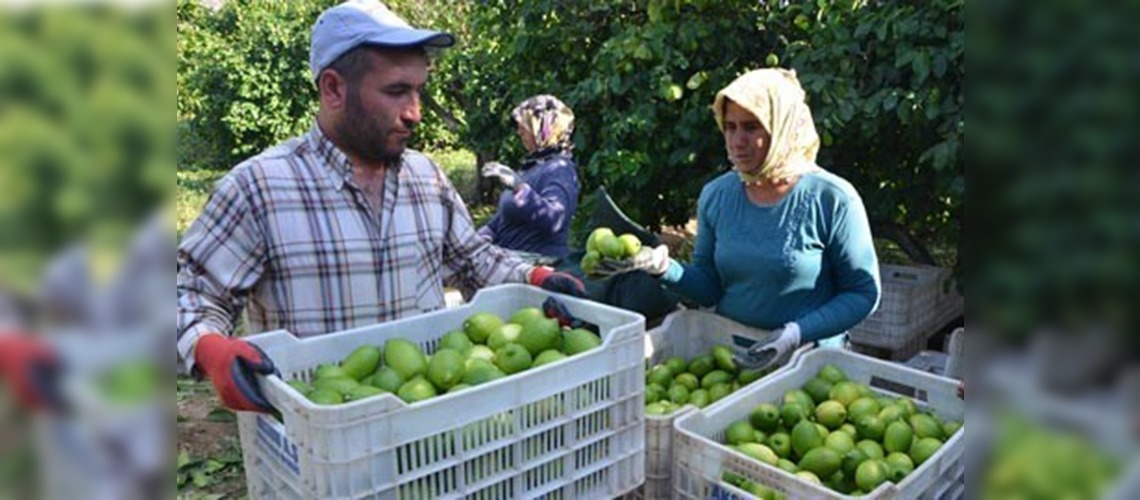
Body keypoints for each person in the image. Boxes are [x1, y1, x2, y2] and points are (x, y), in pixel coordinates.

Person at [176, 0, 584, 413]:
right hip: (317, 434)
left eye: (418, 90)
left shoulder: (426, 178)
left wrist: (535, 278)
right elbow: (190, 294)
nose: (415, 113)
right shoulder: (260, 189)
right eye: (396, 91)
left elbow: (473, 261)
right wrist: (210, 349)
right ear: (333, 89)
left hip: (425, 425)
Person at [600, 68, 881, 370]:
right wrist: (663, 268)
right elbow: (710, 287)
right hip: (734, 355)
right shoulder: (717, 196)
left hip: (809, 362)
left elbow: (862, 292)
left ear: (782, 127)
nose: (737, 141)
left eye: (751, 127)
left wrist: (796, 333)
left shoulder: (832, 198)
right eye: (729, 127)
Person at [478, 95, 580, 260]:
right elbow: (505, 217)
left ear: (542, 130)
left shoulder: (560, 168)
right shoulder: (532, 167)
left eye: (523, 126)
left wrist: (519, 187)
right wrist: (485, 234)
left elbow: (555, 219)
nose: (519, 132)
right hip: (509, 261)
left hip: (537, 265)